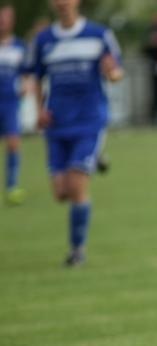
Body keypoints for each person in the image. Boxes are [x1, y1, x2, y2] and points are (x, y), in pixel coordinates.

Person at [27, 0, 123, 267]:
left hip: (89, 121)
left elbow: (116, 71)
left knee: (76, 185)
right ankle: (94, 160)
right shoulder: (44, 39)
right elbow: (36, 76)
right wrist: (39, 110)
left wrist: (112, 73)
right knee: (60, 193)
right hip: (57, 124)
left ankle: (76, 250)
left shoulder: (99, 35)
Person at [0, 3, 26, 205]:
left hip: (10, 103)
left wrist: (26, 84)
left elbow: (26, 73)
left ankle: (11, 185)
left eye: (7, 17)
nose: (3, 21)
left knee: (13, 143)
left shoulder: (20, 46)